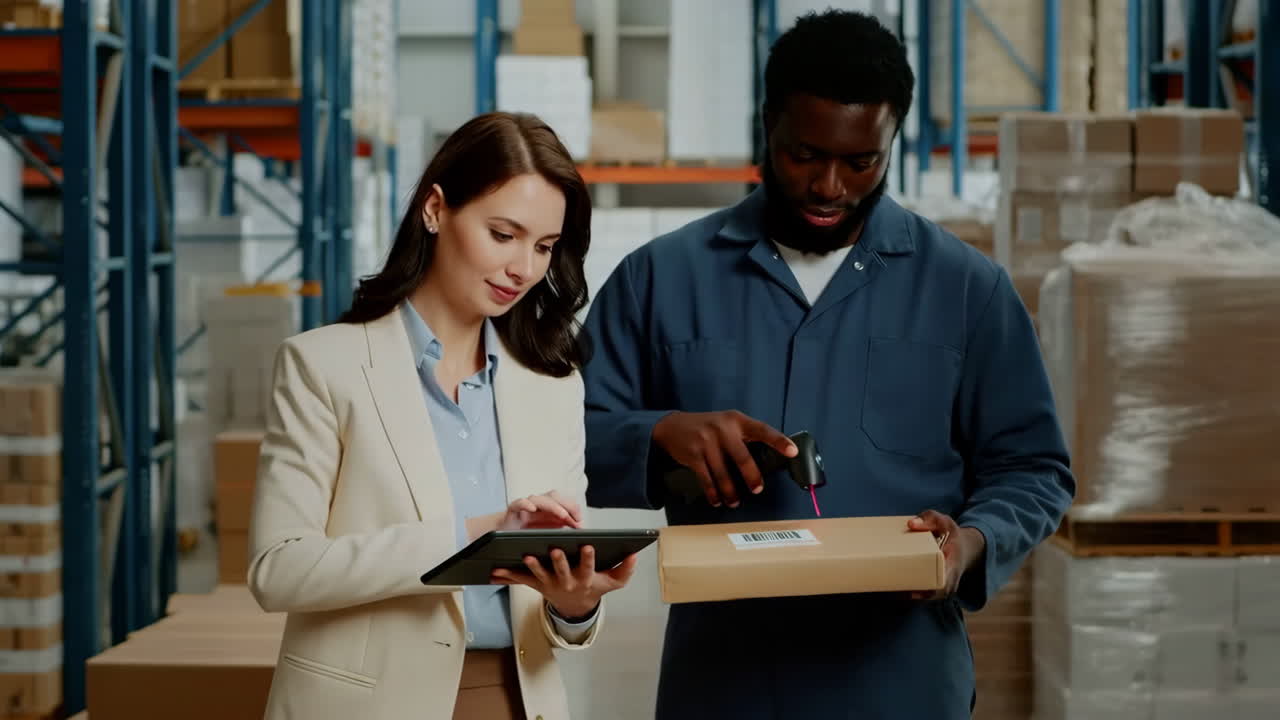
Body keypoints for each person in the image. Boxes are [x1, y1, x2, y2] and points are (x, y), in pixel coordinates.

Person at [581, 10, 1074, 720]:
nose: (830, 187)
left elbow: (1035, 469)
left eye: (861, 161)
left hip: (902, 686)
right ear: (767, 126)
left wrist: (968, 544)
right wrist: (657, 434)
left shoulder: (967, 290)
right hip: (724, 687)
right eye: (804, 155)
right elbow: (568, 442)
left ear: (891, 141)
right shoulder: (659, 280)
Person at [247, 112, 639, 720]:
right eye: (503, 234)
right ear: (435, 209)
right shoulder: (323, 366)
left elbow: (559, 617)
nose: (524, 269)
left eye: (543, 247)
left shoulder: (552, 387)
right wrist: (473, 536)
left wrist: (575, 602)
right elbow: (278, 569)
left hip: (515, 698)